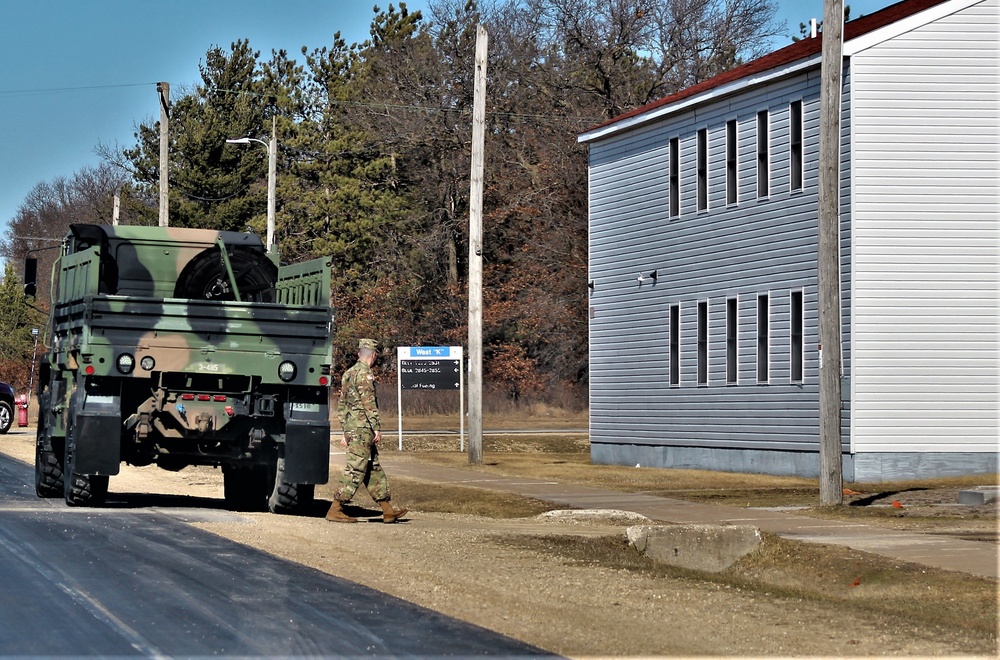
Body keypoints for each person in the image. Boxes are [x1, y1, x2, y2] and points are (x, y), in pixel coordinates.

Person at [326, 338, 409, 524]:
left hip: (354, 428)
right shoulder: (365, 375)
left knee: (373, 467)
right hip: (363, 429)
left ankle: (387, 510)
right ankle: (336, 508)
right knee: (356, 468)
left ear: (358, 354)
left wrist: (346, 431)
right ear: (373, 355)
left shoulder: (348, 373)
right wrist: (376, 428)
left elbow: (342, 406)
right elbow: (369, 404)